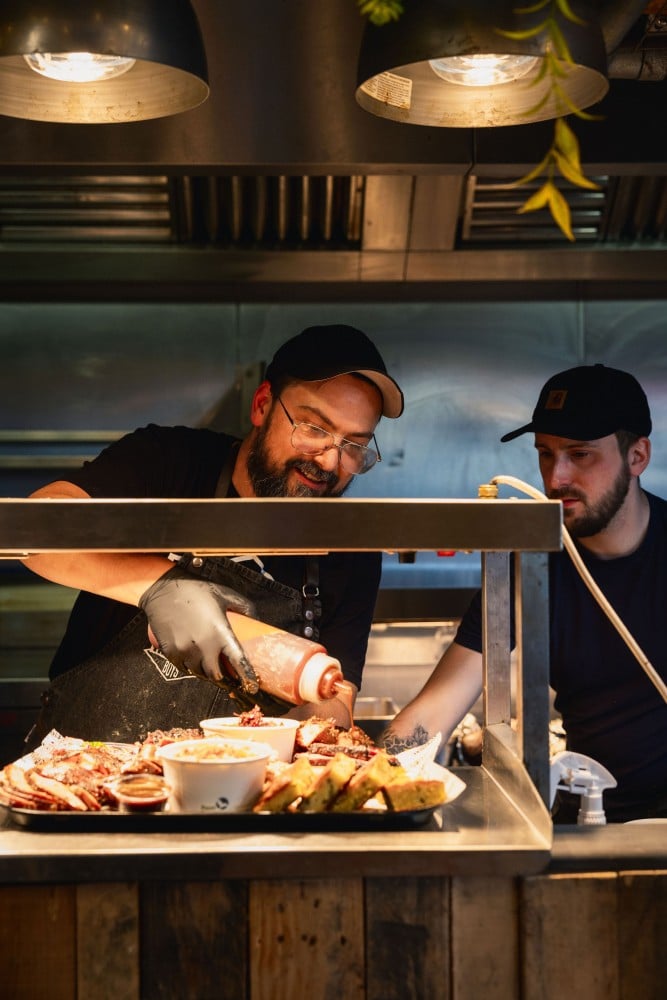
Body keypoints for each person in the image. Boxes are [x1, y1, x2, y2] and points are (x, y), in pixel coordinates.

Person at [22, 324, 404, 747]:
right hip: (85, 771)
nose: (330, 462)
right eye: (314, 428)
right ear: (262, 405)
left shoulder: (351, 544)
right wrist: (157, 587)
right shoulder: (169, 462)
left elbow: (338, 700)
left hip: (241, 777)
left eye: (354, 445)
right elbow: (33, 532)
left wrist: (303, 723)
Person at [383, 363, 667, 823]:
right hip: (587, 818)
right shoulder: (530, 565)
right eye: (545, 454)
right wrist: (371, 781)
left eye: (580, 454)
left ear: (637, 456)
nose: (556, 479)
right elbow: (437, 707)